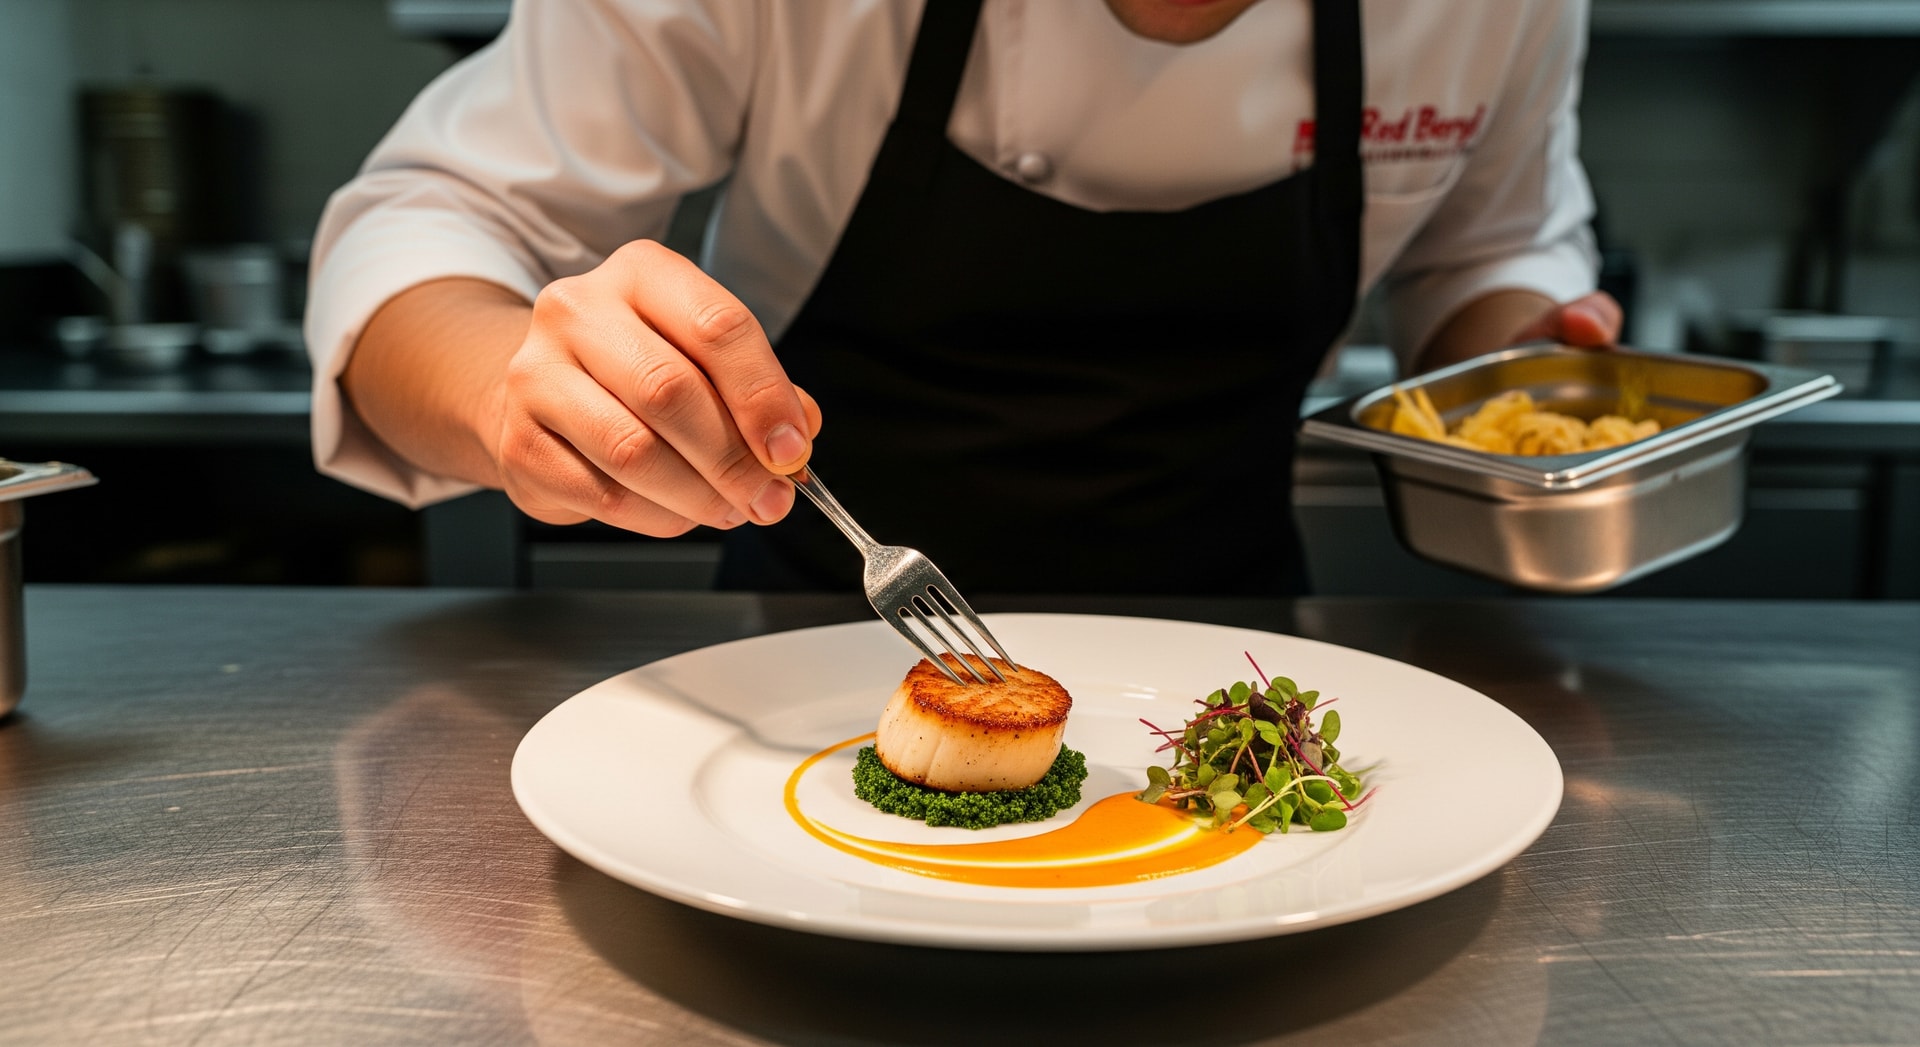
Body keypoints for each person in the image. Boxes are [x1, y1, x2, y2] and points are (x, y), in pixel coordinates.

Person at [307, 0, 1620, 595]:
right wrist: (510, 392)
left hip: (1242, 663)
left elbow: (1484, 256)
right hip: (791, 655)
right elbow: (427, 229)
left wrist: (1538, 390)